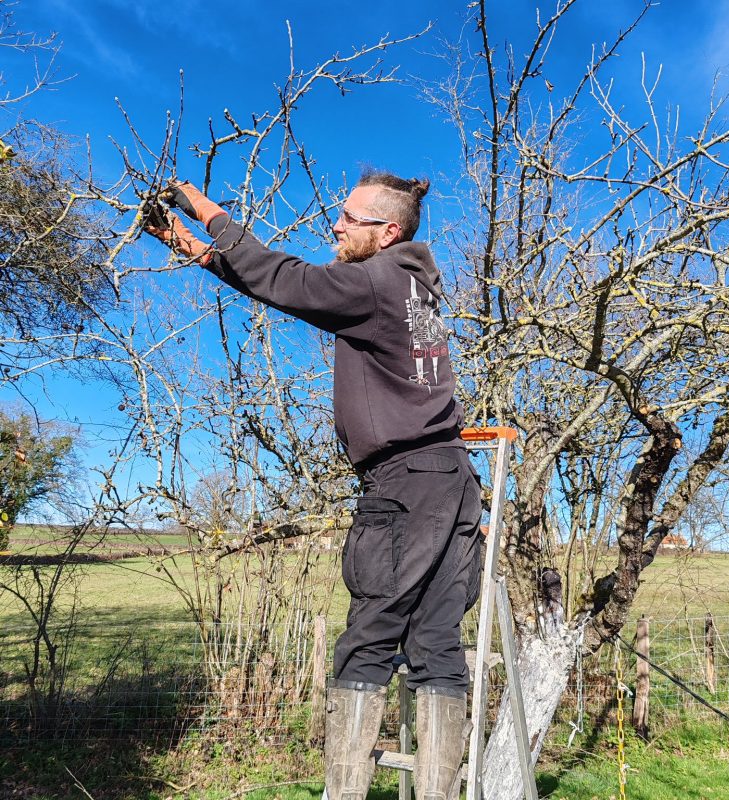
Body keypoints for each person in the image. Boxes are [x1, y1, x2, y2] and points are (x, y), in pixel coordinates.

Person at [146, 171, 482, 800]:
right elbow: (285, 289)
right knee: (437, 646)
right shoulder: (411, 289)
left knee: (367, 642)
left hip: (404, 484)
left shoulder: (377, 280)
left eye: (350, 217)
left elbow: (288, 280)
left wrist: (201, 207)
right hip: (451, 480)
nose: (336, 224)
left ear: (388, 231)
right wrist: (187, 246)